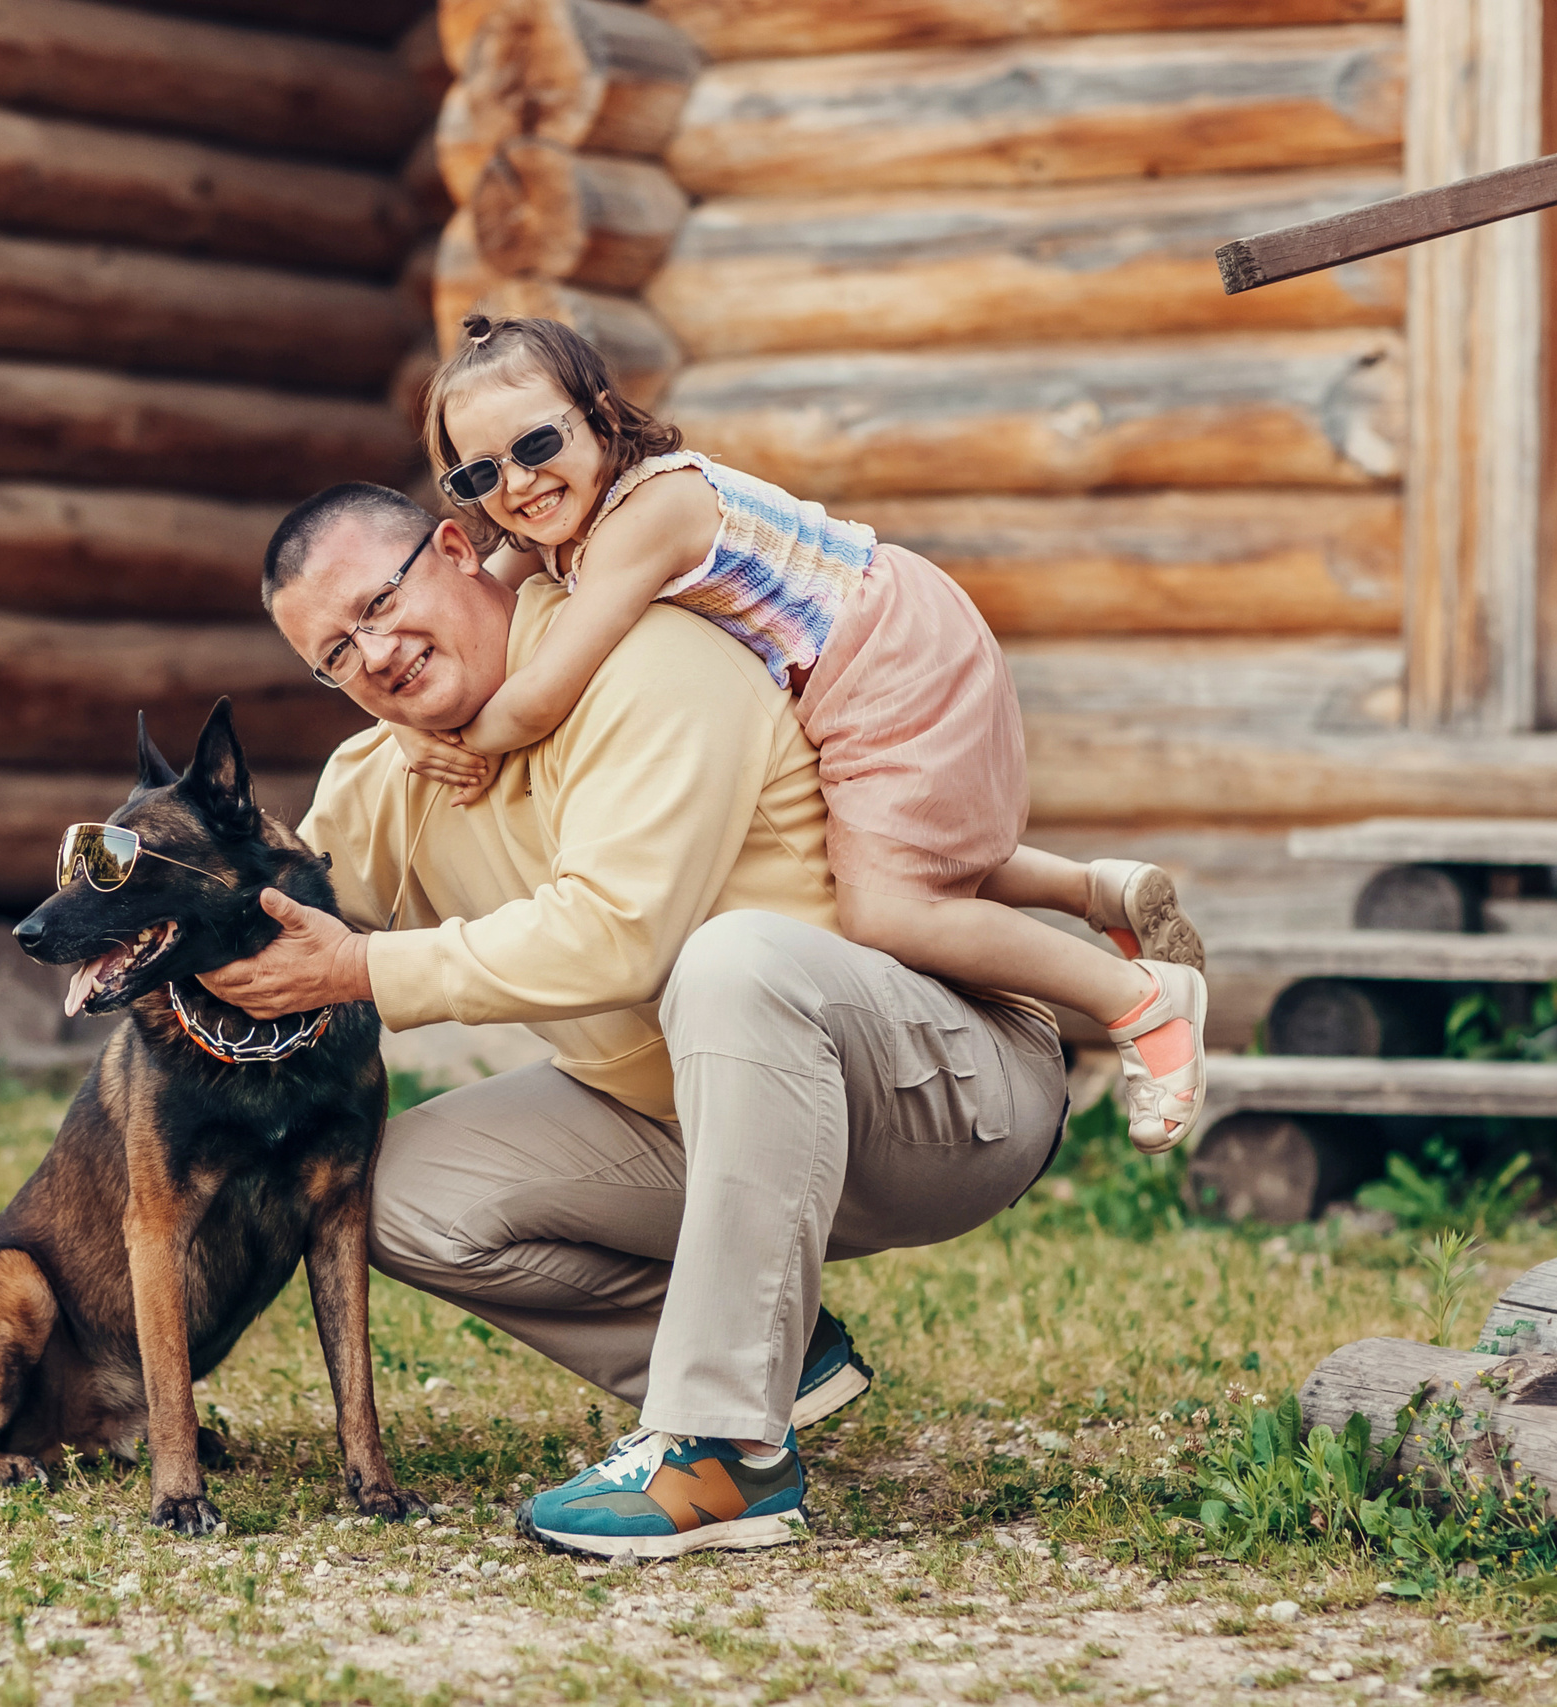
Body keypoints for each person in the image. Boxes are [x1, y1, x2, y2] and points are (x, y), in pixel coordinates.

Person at [197, 477, 1070, 1559]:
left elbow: (617, 936)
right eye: (334, 653)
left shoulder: (652, 662)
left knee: (734, 959)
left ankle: (723, 1451)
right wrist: (161, 909)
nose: (371, 655)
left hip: (942, 1094)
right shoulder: (387, 773)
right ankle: (767, 1353)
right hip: (707, 1133)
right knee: (390, 1190)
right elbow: (283, 913)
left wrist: (364, 969)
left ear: (459, 551)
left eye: (378, 604)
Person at [387, 315, 1206, 1152]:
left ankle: (1140, 1001)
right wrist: (407, 723)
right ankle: (1095, 891)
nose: (518, 482)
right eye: (480, 473)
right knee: (884, 852)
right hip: (840, 677)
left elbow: (535, 698)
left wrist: (452, 738)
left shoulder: (648, 511)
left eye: (536, 444)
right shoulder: (552, 526)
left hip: (891, 654)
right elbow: (467, 624)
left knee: (889, 911)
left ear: (598, 414)